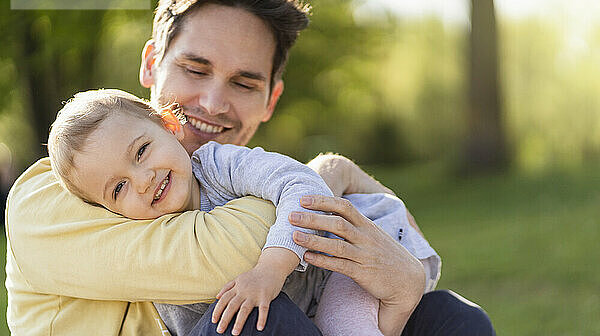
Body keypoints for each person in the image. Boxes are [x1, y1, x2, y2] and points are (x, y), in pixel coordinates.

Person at [5, 0, 495, 336]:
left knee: (452, 319)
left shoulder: (222, 175)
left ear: (270, 100)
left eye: (244, 83)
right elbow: (233, 257)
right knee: (254, 319)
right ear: (153, 61)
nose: (213, 103)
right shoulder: (50, 194)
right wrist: (325, 179)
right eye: (195, 70)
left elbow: (399, 244)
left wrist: (404, 287)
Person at [46, 88, 439, 336]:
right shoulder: (145, 242)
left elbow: (301, 184)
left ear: (169, 125)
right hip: (305, 304)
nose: (143, 180)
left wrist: (270, 269)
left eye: (141, 152)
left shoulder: (218, 164)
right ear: (107, 211)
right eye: (118, 188)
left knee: (344, 325)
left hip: (349, 257)